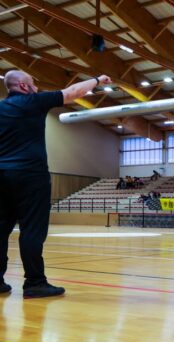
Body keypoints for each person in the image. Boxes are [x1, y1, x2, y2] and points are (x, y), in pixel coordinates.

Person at [0, 70, 112, 297]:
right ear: (23, 86)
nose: (36, 87)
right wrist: (98, 80)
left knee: (0, 229)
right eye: (33, 83)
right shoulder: (33, 102)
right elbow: (72, 92)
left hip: (1, 176)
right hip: (31, 175)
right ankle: (34, 283)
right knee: (32, 230)